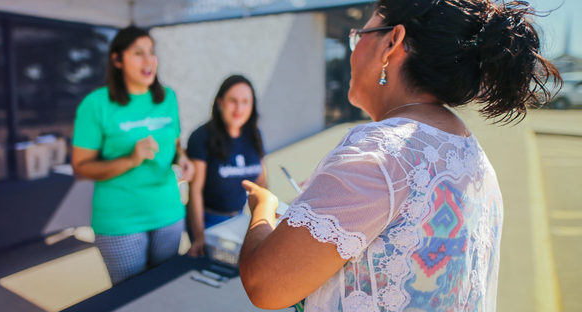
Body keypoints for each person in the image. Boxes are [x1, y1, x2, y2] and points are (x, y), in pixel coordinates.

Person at [237, 0, 560, 311]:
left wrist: (264, 208)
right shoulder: (473, 157)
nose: (353, 51)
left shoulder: (378, 153)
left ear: (392, 41)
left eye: (358, 37)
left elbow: (265, 284)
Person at [71, 26, 194, 285]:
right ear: (117, 60)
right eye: (138, 53)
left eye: (151, 52)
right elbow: (81, 168)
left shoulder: (168, 98)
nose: (149, 60)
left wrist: (182, 159)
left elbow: (175, 144)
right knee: (132, 297)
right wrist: (131, 159)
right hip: (120, 221)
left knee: (165, 291)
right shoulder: (96, 104)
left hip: (168, 213)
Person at [185, 75, 267, 257]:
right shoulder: (201, 136)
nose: (239, 108)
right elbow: (195, 191)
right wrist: (199, 237)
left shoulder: (254, 135)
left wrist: (262, 222)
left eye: (246, 102)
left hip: (240, 219)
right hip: (208, 221)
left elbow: (261, 181)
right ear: (220, 102)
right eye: (233, 101)